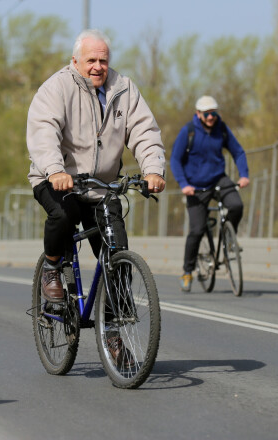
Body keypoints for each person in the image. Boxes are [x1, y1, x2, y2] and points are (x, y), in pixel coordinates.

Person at [26, 29, 166, 368]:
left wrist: (153, 169)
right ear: (76, 61)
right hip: (58, 180)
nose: (98, 66)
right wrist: (55, 169)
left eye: (103, 60)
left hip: (101, 185)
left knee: (116, 252)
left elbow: (144, 131)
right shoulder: (56, 88)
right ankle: (52, 267)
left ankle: (114, 336)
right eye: (91, 60)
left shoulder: (123, 89)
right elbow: (44, 130)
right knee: (62, 216)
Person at [170, 95, 249, 292]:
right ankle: (187, 271)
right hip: (195, 187)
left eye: (214, 113)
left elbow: (238, 152)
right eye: (207, 114)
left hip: (218, 180)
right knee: (196, 230)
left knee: (236, 205)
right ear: (198, 114)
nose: (211, 117)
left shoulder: (221, 129)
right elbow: (175, 160)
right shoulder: (188, 132)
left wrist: (244, 175)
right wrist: (183, 184)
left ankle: (229, 239)